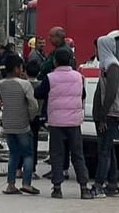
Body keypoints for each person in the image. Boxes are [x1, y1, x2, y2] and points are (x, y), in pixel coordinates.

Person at [34, 47, 94, 200]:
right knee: (78, 155)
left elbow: (39, 93)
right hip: (74, 123)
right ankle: (84, 188)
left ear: (55, 61)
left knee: (57, 155)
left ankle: (57, 188)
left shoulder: (50, 77)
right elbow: (83, 95)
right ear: (70, 61)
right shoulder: (79, 77)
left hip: (56, 122)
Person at [90, 36, 119, 198]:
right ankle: (112, 183)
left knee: (103, 150)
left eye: (97, 48)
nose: (95, 52)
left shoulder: (113, 66)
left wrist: (103, 116)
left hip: (110, 115)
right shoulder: (105, 65)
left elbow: (110, 93)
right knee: (108, 149)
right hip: (105, 114)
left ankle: (98, 185)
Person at [0, 55, 39, 195]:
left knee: (13, 154)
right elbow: (33, 104)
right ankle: (26, 183)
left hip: (8, 123)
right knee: (27, 154)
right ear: (16, 69)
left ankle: (11, 184)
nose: (22, 70)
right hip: (22, 124)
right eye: (21, 67)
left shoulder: (0, 84)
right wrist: (31, 116)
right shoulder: (25, 84)